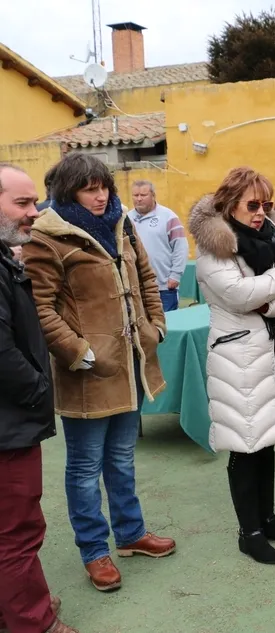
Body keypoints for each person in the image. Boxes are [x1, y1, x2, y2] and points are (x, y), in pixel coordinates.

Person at [21, 153, 173, 592]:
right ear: (68, 192)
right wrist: (80, 352)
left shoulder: (121, 224)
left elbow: (146, 278)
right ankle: (94, 551)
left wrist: (155, 326)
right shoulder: (47, 236)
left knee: (122, 459)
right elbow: (41, 307)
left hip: (129, 366)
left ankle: (130, 534)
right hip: (86, 374)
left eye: (104, 186)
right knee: (85, 468)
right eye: (90, 189)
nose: (101, 195)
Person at [189, 167, 275, 566]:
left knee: (266, 439)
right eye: (252, 205)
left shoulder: (272, 239)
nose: (261, 213)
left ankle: (267, 519)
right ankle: (249, 532)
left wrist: (270, 301)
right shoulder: (214, 249)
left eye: (266, 205)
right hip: (237, 359)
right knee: (245, 445)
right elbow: (240, 294)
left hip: (270, 354)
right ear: (230, 205)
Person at [0, 164, 76, 633]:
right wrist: (38, 390)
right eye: (23, 203)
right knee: (18, 530)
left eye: (34, 201)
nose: (34, 212)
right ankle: (33, 622)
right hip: (8, 428)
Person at [128, 180, 189, 311]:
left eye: (143, 195)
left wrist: (175, 275)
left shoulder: (168, 217)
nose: (139, 199)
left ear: (153, 195)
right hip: (137, 288)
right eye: (135, 195)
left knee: (167, 323)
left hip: (164, 287)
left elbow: (180, 247)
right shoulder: (126, 219)